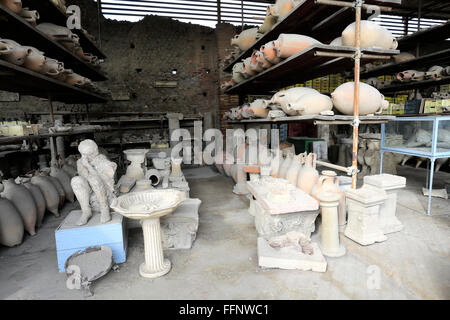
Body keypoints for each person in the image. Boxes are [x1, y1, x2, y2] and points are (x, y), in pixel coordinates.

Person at [71, 139, 117, 225]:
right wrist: (84, 166)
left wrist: (88, 166)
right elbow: (85, 177)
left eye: (88, 154)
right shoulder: (80, 162)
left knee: (94, 179)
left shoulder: (102, 160)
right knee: (75, 180)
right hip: (91, 192)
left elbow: (103, 180)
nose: (85, 157)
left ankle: (104, 209)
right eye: (83, 155)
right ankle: (86, 211)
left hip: (104, 192)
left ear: (94, 152)